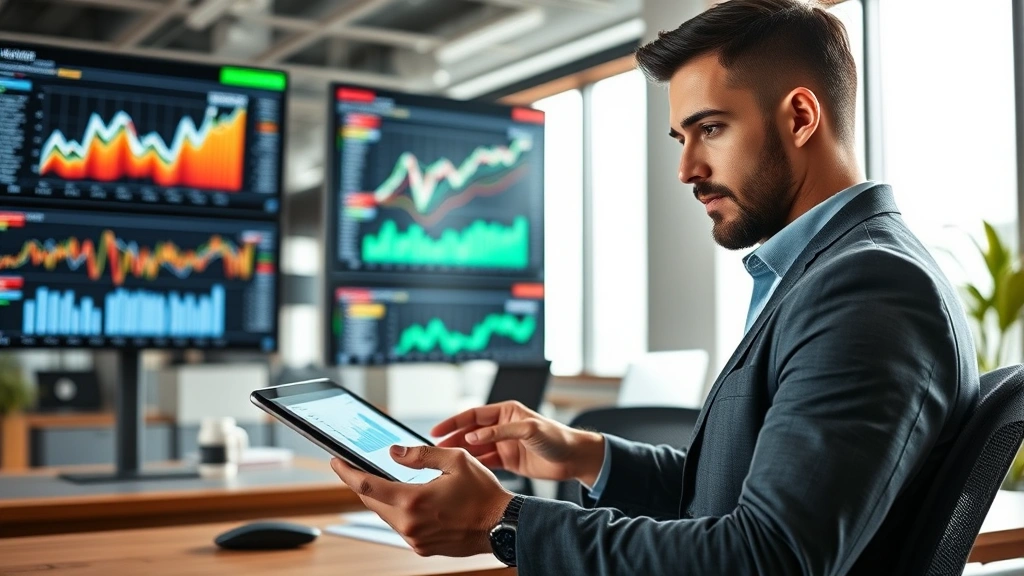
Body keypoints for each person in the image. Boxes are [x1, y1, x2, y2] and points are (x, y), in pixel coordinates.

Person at [330, 0, 980, 573]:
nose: (687, 168)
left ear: (801, 117)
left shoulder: (866, 289)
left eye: (712, 129)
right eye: (681, 137)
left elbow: (767, 558)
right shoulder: (830, 272)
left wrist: (502, 523)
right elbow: (736, 495)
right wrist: (586, 454)